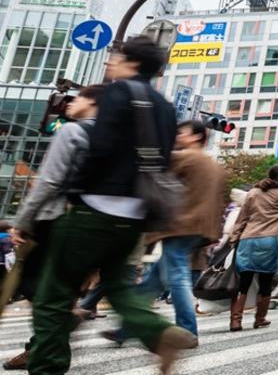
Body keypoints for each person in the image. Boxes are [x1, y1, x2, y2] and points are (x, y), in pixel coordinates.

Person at [27, 38, 195, 375]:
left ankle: (47, 368)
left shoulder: (118, 92)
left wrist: (76, 192)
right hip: (134, 215)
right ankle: (160, 332)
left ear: (131, 63)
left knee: (52, 296)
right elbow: (161, 160)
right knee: (118, 287)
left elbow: (100, 148)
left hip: (94, 208)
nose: (110, 63)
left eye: (115, 57)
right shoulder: (164, 106)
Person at [104, 120, 227, 343]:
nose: (178, 135)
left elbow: (152, 165)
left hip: (181, 224)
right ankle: (128, 327)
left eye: (182, 132)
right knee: (154, 281)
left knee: (177, 276)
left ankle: (187, 330)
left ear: (197, 136)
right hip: (198, 227)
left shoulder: (186, 157)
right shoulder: (214, 165)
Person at [7, 85, 102, 370]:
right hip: (92, 224)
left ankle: (47, 351)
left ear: (94, 102)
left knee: (34, 286)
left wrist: (22, 221)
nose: (72, 102)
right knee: (57, 290)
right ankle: (44, 347)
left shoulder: (72, 131)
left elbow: (48, 182)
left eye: (80, 97)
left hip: (56, 218)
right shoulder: (115, 138)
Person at [229, 164, 278, 330]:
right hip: (269, 240)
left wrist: (233, 238)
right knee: (265, 281)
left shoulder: (253, 192)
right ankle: (260, 318)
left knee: (244, 282)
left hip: (247, 239)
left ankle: (235, 320)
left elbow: (242, 219)